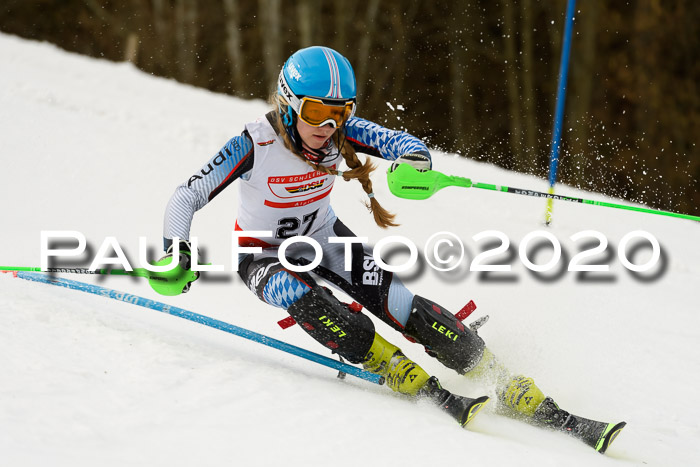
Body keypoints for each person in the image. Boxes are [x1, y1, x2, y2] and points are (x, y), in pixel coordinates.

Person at [160, 46, 624, 452]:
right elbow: (187, 195)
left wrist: (415, 162)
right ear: (287, 105)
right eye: (316, 113)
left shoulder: (340, 130)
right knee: (302, 297)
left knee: (404, 306)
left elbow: (402, 143)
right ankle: (390, 365)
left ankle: (503, 379)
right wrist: (175, 249)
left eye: (340, 113)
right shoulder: (252, 143)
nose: (328, 127)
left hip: (324, 238)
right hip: (261, 254)